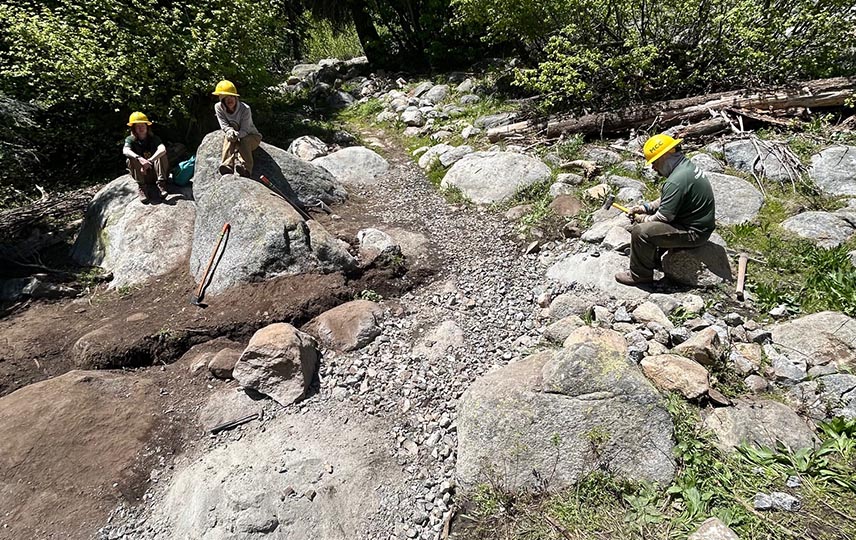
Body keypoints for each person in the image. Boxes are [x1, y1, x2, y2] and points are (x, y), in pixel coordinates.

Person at [614, 133, 716, 286]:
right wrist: (644, 208)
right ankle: (654, 258)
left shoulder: (676, 181)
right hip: (698, 225)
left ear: (665, 156)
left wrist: (643, 219)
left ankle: (639, 275)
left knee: (641, 232)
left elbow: (663, 218)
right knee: (648, 226)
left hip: (694, 233)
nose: (654, 167)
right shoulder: (685, 169)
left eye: (655, 162)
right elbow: (670, 199)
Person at [212, 80, 262, 177]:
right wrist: (230, 132)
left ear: (236, 97)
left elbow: (245, 130)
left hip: (251, 136)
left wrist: (236, 135)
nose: (229, 100)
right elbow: (224, 125)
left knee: (245, 140)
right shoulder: (218, 107)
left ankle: (246, 169)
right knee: (229, 136)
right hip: (234, 134)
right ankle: (227, 166)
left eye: (231, 97)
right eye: (226, 98)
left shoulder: (245, 109)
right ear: (222, 99)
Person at [123, 112, 168, 203]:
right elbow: (125, 150)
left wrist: (150, 161)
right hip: (142, 174)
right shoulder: (130, 139)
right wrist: (139, 158)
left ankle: (161, 184)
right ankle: (142, 187)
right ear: (134, 128)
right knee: (130, 158)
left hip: (155, 171)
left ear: (147, 126)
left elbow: (162, 149)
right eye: (137, 126)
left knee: (161, 154)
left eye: (143, 125)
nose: (141, 128)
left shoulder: (154, 138)